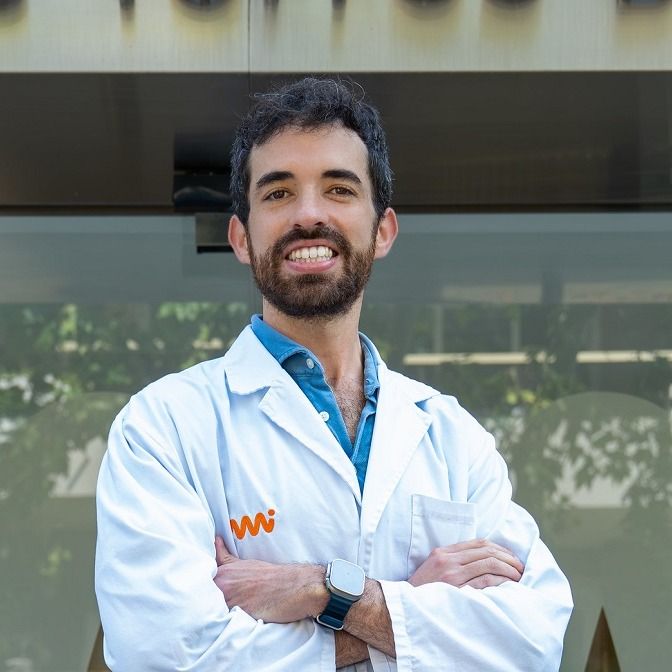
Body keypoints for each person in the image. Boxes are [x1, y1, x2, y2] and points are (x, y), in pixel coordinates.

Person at [95, 77, 573, 671]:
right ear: (241, 237)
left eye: (339, 189)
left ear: (383, 231)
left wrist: (323, 589)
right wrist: (409, 607)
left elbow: (531, 643)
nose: (309, 215)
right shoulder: (163, 427)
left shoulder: (453, 437)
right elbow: (164, 653)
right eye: (278, 193)